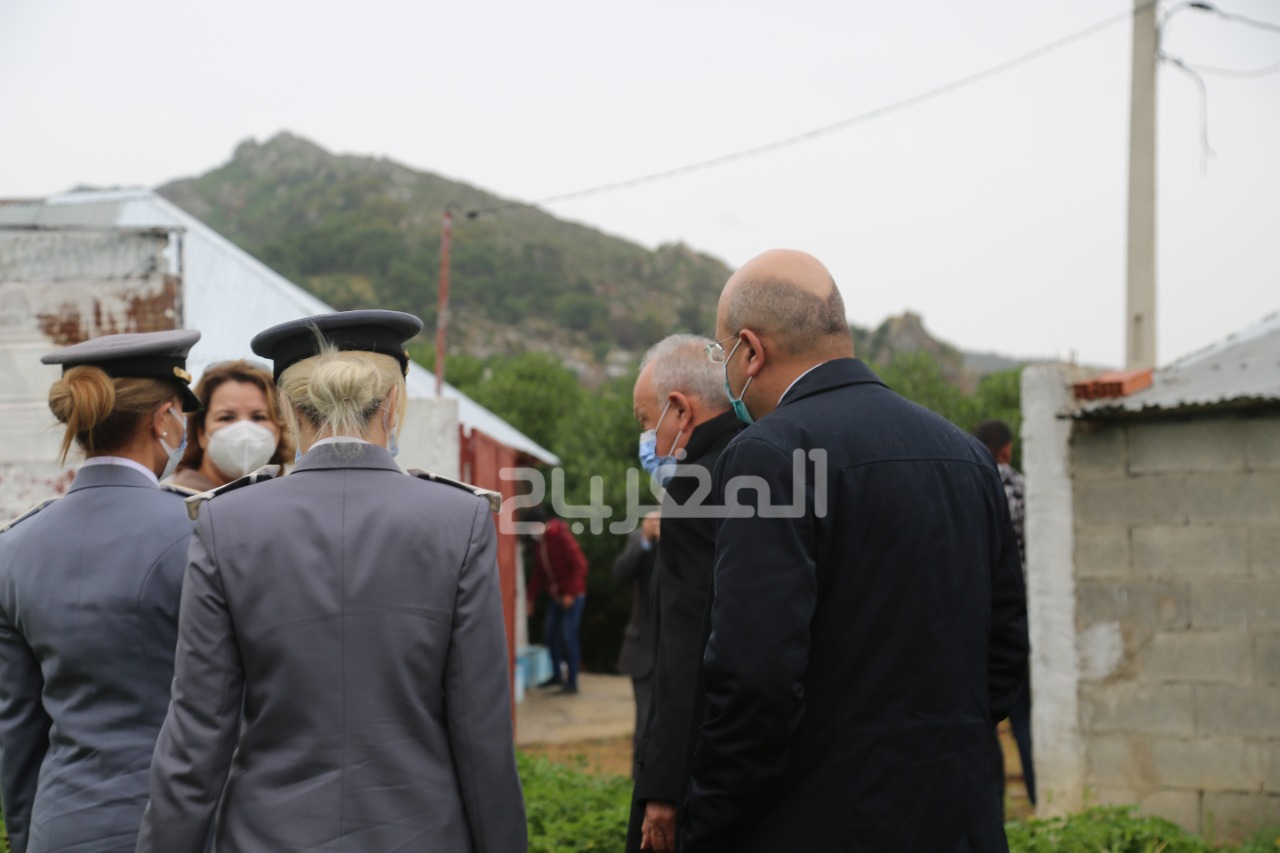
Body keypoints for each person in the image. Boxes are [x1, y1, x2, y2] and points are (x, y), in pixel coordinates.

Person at [138, 310, 526, 853]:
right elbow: (481, 731)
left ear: (289, 409)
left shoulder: (226, 522)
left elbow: (198, 736)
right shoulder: (459, 520)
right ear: (392, 403)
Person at [679, 250, 1028, 853]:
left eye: (721, 355)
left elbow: (754, 673)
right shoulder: (966, 456)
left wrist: (706, 822)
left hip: (822, 822)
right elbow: (1005, 650)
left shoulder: (769, 454)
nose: (725, 373)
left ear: (750, 352)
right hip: (959, 818)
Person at [0, 329, 202, 853]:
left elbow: (19, 730)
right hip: (180, 826)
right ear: (163, 418)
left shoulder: (14, 548)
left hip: (60, 824)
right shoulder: (204, 532)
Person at [627, 334, 743, 853]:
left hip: (701, 765)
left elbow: (687, 643)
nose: (646, 436)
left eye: (644, 420)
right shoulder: (758, 457)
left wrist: (663, 787)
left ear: (679, 409)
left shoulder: (692, 487)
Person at [974, 418, 1036, 808]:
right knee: (1024, 719)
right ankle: (1037, 798)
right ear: (1008, 450)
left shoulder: (969, 483)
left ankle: (991, 804)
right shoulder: (1025, 489)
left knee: (984, 721)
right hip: (1022, 615)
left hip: (978, 617)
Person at [167, 358, 293, 493]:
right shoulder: (178, 503)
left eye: (259, 417)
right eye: (226, 418)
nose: (244, 430)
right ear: (201, 433)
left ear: (279, 430)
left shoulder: (287, 498)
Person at [612, 510, 660, 770]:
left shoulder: (688, 539)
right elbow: (620, 574)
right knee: (644, 720)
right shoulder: (639, 539)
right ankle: (639, 781)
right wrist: (646, 541)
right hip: (643, 648)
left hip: (678, 651)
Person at [524, 505, 589, 695]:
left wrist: (570, 593)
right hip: (556, 596)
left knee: (569, 636)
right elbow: (539, 573)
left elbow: (580, 566)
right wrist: (530, 599)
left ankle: (572, 681)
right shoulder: (540, 542)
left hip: (573, 596)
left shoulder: (561, 536)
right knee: (550, 634)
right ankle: (556, 675)